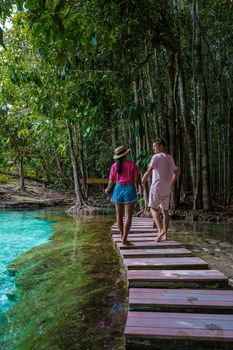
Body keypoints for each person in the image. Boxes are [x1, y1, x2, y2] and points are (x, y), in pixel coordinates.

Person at [142, 139, 179, 242]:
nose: (153, 148)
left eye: (155, 146)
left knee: (153, 209)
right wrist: (171, 183)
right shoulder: (170, 158)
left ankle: (160, 230)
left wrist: (142, 181)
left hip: (156, 188)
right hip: (167, 189)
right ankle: (165, 235)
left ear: (161, 146)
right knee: (165, 211)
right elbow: (176, 173)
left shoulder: (156, 157)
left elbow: (149, 171)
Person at [105, 145, 143, 245]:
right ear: (125, 154)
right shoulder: (132, 164)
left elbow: (111, 181)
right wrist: (140, 186)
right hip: (130, 189)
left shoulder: (114, 166)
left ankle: (122, 236)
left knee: (119, 215)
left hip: (118, 189)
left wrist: (107, 189)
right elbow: (137, 178)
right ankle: (124, 239)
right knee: (128, 216)